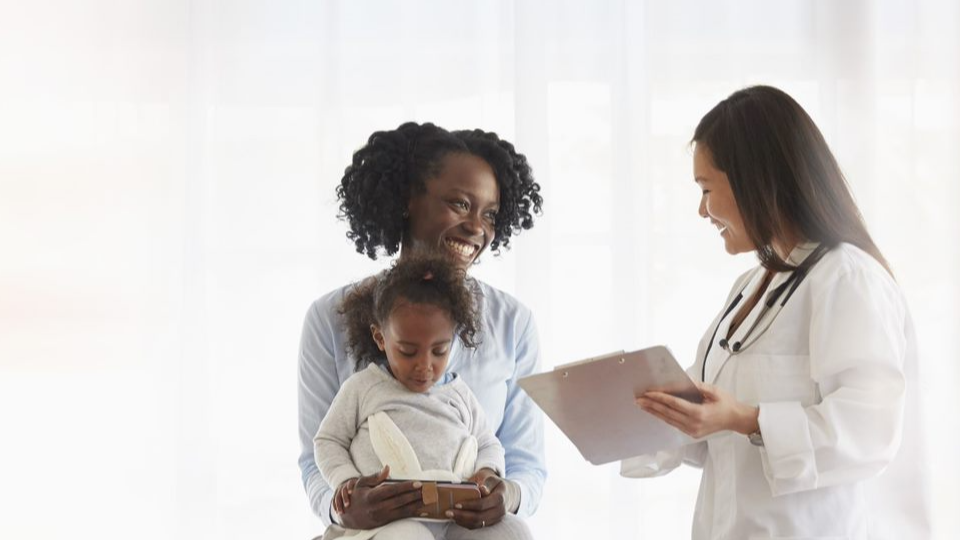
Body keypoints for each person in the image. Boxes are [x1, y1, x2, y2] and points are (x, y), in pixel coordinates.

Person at [622, 85, 930, 539]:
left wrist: (747, 418)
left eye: (707, 189)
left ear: (756, 178)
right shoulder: (751, 286)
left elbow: (870, 430)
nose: (702, 210)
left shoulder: (846, 277)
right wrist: (645, 406)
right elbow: (712, 421)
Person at [298, 122, 546, 535]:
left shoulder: (512, 324)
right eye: (460, 204)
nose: (477, 228)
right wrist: (342, 507)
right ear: (408, 200)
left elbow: (526, 463)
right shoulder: (330, 318)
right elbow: (316, 456)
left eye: (489, 214)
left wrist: (506, 495)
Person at [314, 254, 532, 540]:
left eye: (439, 351)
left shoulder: (460, 394)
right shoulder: (364, 387)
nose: (424, 365)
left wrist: (488, 473)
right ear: (381, 338)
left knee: (512, 532)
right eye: (407, 351)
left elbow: (488, 443)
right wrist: (347, 483)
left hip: (455, 518)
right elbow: (327, 440)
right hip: (387, 522)